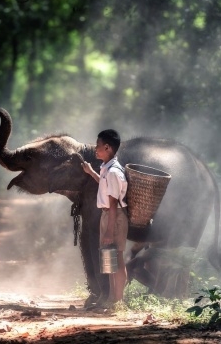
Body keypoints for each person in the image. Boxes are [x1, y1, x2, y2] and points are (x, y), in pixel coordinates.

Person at [81, 129, 128, 309]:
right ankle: (112, 299)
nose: (96, 148)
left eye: (98, 145)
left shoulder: (114, 172)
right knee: (109, 258)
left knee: (118, 257)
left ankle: (118, 301)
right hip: (107, 215)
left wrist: (109, 230)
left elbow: (114, 202)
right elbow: (103, 184)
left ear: (107, 147)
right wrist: (91, 172)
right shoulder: (106, 168)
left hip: (113, 217)